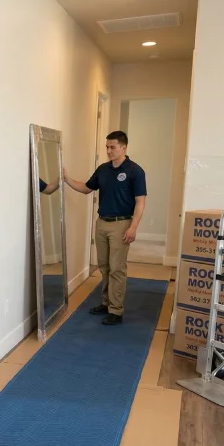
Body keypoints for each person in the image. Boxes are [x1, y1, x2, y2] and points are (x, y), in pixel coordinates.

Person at [63, 130, 146, 325]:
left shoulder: (135, 171)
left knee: (117, 268)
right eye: (107, 147)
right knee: (104, 266)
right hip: (102, 223)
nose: (108, 151)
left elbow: (140, 202)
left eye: (112, 147)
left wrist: (133, 227)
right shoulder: (102, 170)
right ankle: (106, 302)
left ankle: (116, 311)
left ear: (123, 148)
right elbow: (86, 188)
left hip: (122, 224)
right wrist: (66, 179)